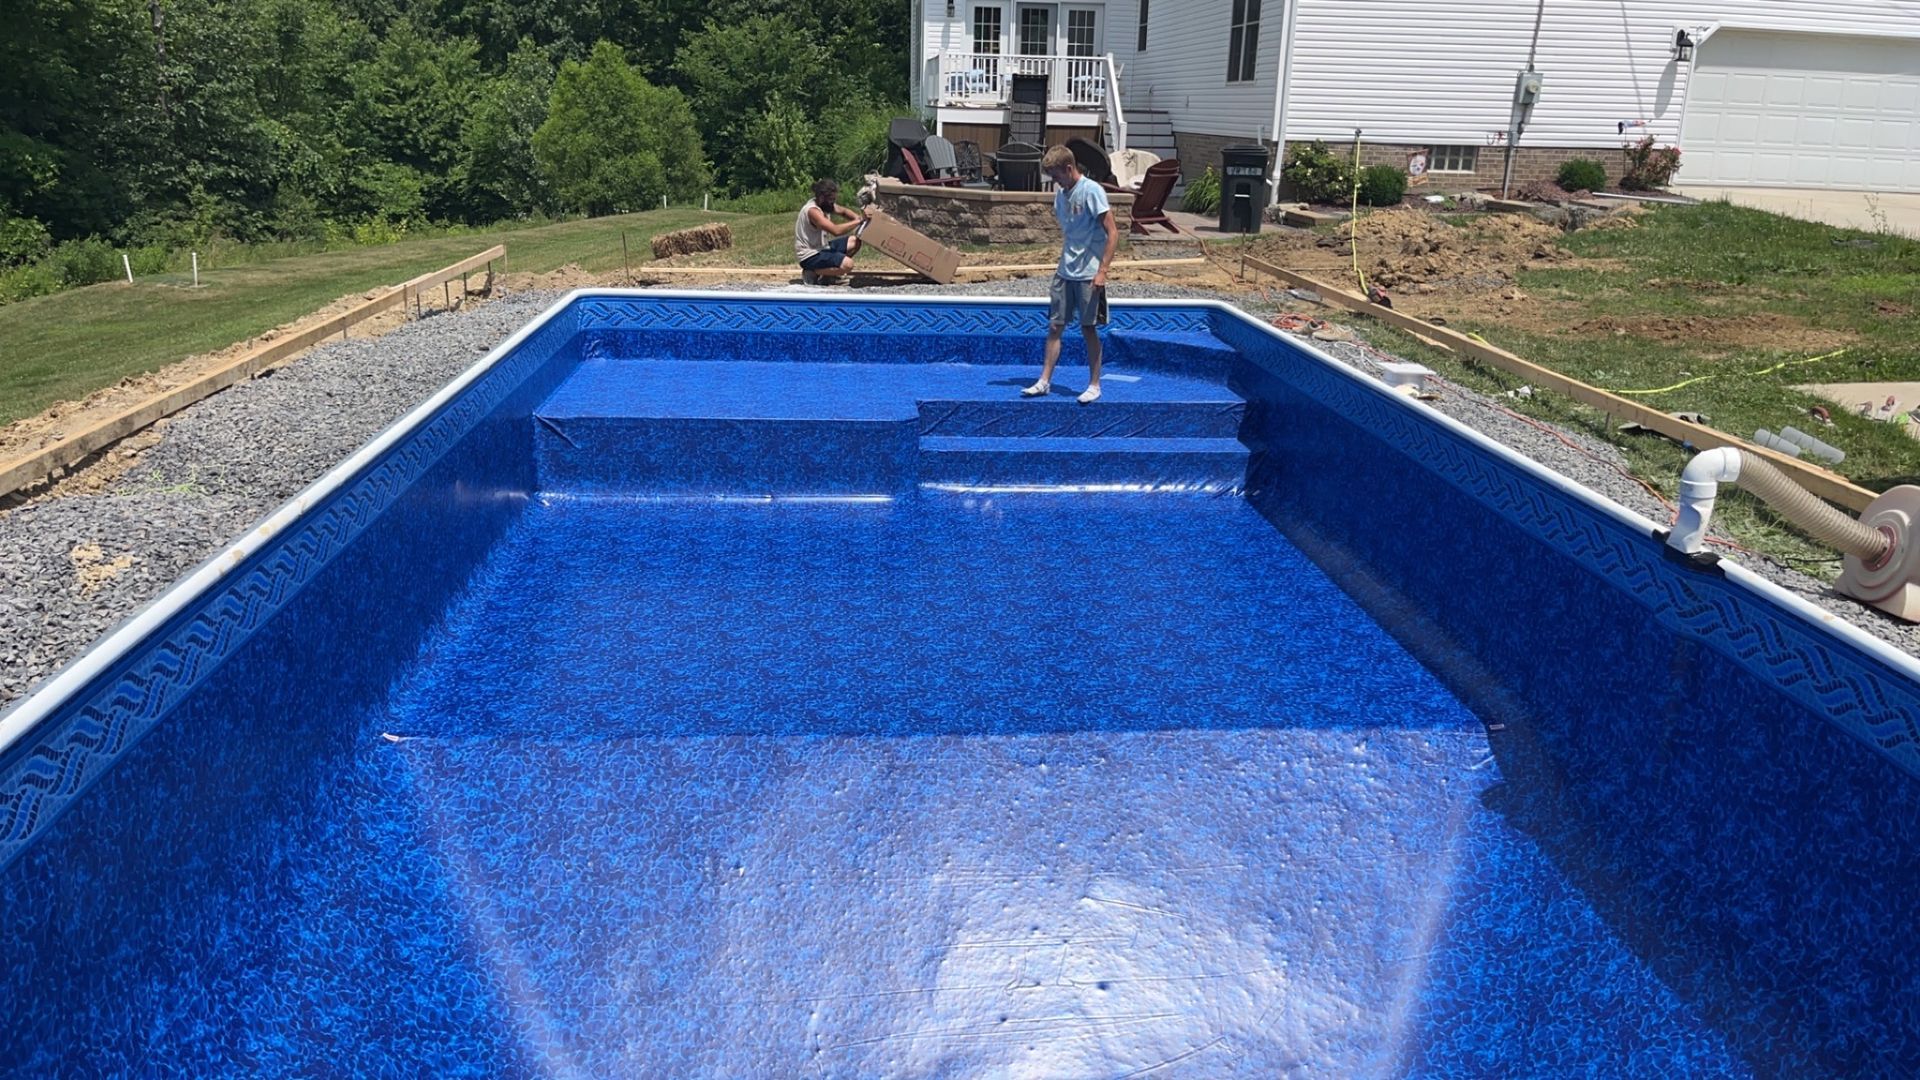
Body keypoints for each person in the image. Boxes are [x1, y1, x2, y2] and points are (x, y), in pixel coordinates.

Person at [1023, 145, 1118, 404]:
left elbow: (1113, 233)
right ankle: (1044, 381)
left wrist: (1102, 271)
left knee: (1088, 329)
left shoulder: (1092, 192)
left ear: (1069, 168)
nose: (1055, 182)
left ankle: (1095, 385)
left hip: (1089, 274)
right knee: (1055, 326)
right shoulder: (1061, 195)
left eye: (1056, 176)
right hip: (1065, 271)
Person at [795, 179, 870, 285]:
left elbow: (844, 212)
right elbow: (836, 230)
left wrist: (859, 218)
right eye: (831, 200)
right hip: (810, 255)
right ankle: (812, 271)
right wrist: (859, 221)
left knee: (855, 241)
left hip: (822, 248)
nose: (833, 202)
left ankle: (827, 276)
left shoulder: (825, 205)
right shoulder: (813, 211)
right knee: (848, 265)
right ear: (821, 198)